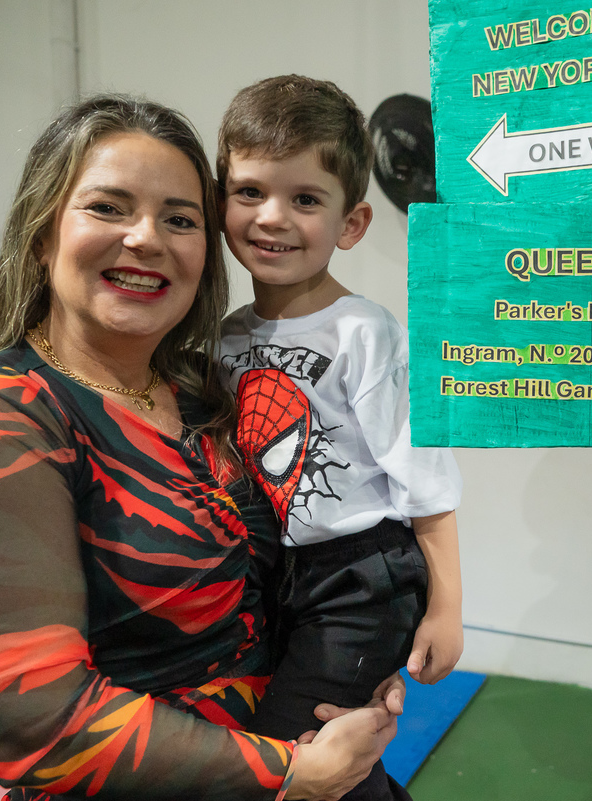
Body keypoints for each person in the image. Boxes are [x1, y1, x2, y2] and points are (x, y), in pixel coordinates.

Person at [0, 94, 401, 801]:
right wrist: (292, 776)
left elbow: (320, 558)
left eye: (180, 219)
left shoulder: (211, 389)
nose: (147, 238)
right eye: (108, 208)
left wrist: (358, 662)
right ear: (43, 233)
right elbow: (30, 716)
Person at [216, 76, 464, 798]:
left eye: (304, 199)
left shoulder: (365, 330)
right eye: (251, 192)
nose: (273, 217)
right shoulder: (229, 336)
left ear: (350, 224)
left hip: (362, 578)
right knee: (329, 747)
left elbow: (426, 475)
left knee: (291, 748)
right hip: (279, 574)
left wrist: (446, 605)